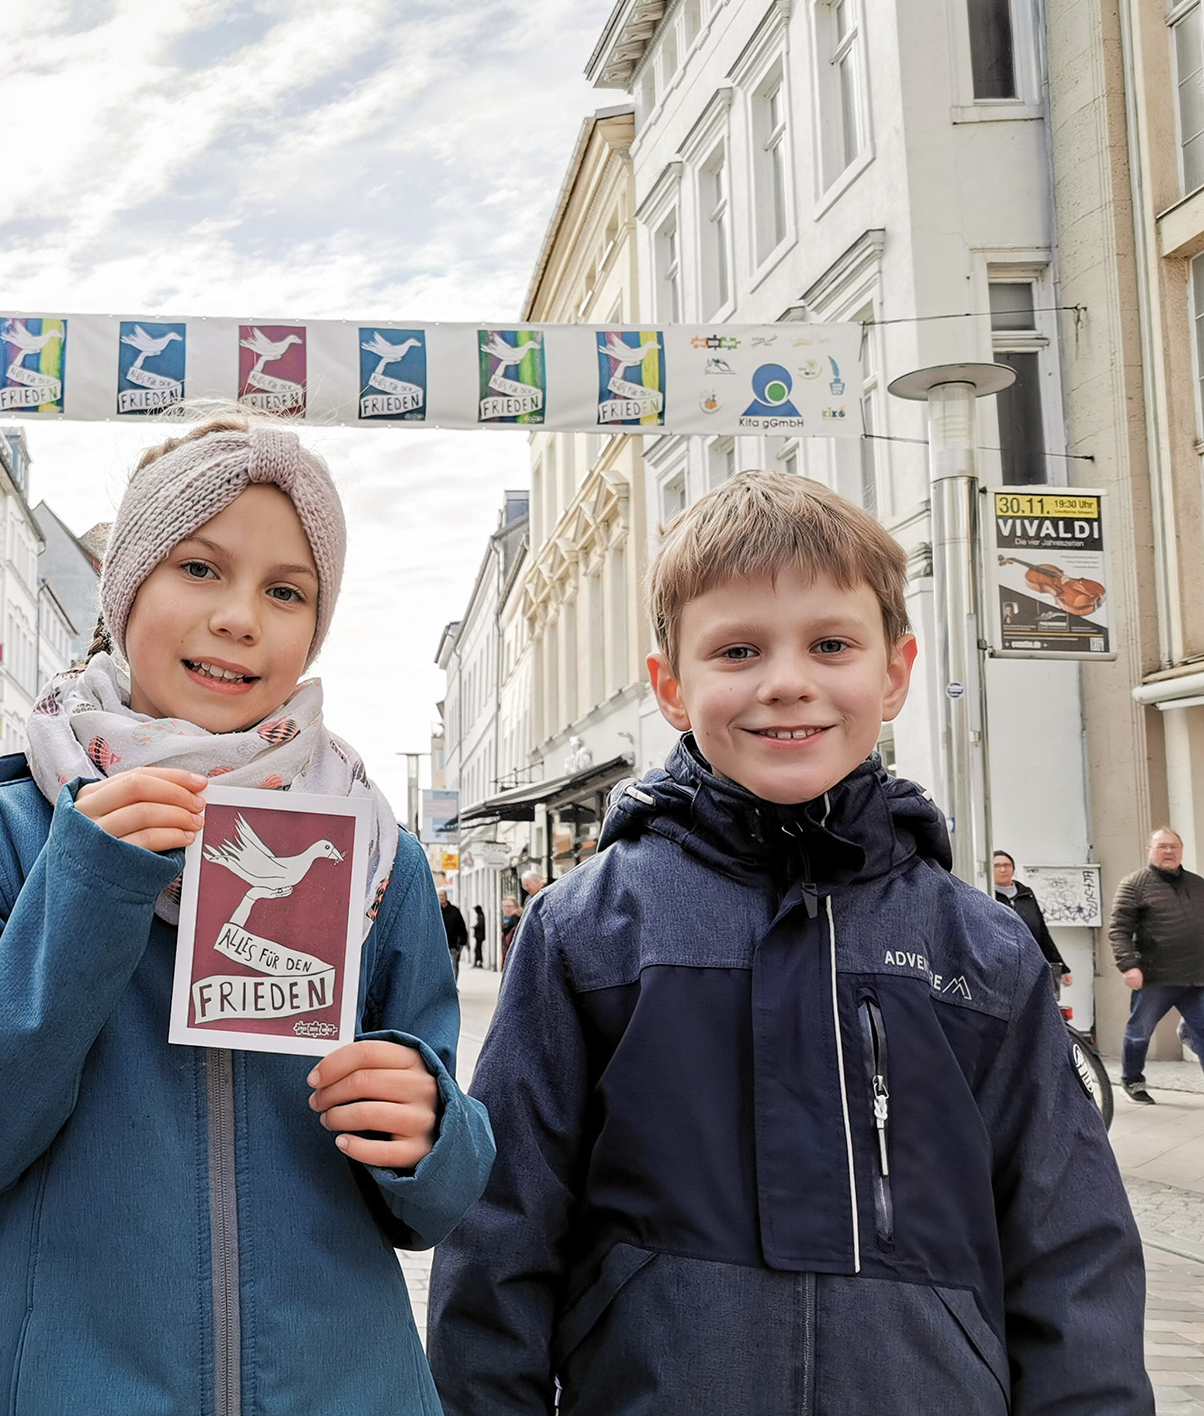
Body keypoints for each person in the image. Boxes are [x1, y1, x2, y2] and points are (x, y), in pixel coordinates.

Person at [429, 471, 1147, 1414]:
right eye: (737, 649)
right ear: (672, 687)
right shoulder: (590, 930)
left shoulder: (981, 949)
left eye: (831, 643)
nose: (786, 682)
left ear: (894, 671)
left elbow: (1069, 1250)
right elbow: (503, 1231)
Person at [0, 415, 496, 1415]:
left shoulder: (376, 854)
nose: (240, 616)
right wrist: (83, 888)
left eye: (285, 591)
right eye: (199, 569)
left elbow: (439, 1198)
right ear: (124, 591)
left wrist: (428, 1129)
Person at [1109, 827, 1204, 1105]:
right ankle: (1132, 1080)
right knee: (1139, 1032)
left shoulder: (1198, 885)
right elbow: (1119, 930)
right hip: (1155, 977)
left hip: (1197, 977)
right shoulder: (1134, 884)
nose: (1168, 851)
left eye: (1173, 846)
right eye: (1162, 846)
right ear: (1149, 850)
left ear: (1181, 850)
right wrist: (1129, 965)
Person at [992, 849, 1070, 992]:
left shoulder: (1026, 894)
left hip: (1030, 964)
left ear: (1013, 868)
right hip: (1001, 966)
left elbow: (1042, 933)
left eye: (1006, 865)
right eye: (997, 866)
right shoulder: (988, 895)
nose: (1002, 869)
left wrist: (1062, 967)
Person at [440, 888, 470, 976]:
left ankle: (453, 987)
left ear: (446, 896)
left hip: (453, 945)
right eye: (439, 896)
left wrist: (462, 942)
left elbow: (462, 927)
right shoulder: (436, 912)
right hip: (439, 946)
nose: (441, 898)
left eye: (443, 895)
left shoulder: (454, 911)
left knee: (453, 966)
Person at [471, 903, 487, 969]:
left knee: (477, 949)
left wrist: (474, 927)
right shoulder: (481, 915)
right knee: (478, 949)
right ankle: (478, 962)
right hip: (480, 936)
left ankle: (478, 962)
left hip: (479, 936)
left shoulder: (480, 916)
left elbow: (480, 925)